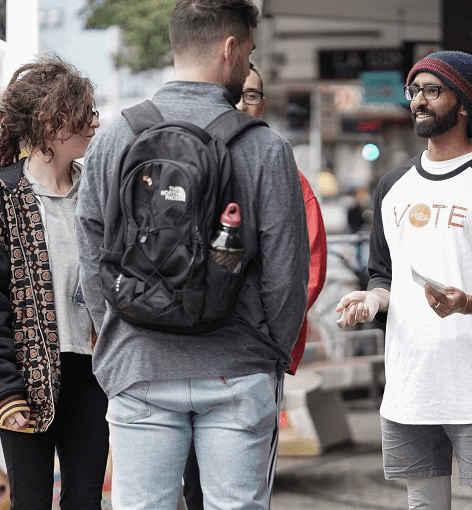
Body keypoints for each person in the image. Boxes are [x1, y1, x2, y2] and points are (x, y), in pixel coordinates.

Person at [75, 1, 309, 509]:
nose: (248, 64)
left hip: (138, 363)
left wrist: (116, 330)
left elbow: (91, 252)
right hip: (236, 365)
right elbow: (287, 269)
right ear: (230, 48)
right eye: (248, 51)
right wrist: (268, 349)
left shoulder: (115, 138)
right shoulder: (266, 149)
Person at [335, 50, 472, 510]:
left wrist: (468, 303)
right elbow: (382, 274)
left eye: (432, 90)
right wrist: (372, 300)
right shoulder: (392, 184)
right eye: (414, 91)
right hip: (411, 380)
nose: (417, 102)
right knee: (423, 502)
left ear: (464, 104)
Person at [0, 55, 109, 510]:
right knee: (32, 502)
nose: (95, 123)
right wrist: (3, 392)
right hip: (24, 379)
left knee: (85, 499)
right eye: (86, 114)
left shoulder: (98, 193)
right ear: (52, 123)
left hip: (92, 377)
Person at [181, 64, 328, 510]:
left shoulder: (286, 173)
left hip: (251, 360)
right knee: (189, 487)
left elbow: (308, 271)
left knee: (241, 494)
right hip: (177, 354)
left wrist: (268, 342)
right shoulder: (177, 164)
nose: (242, 103)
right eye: (235, 94)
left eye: (252, 96)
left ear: (261, 105)